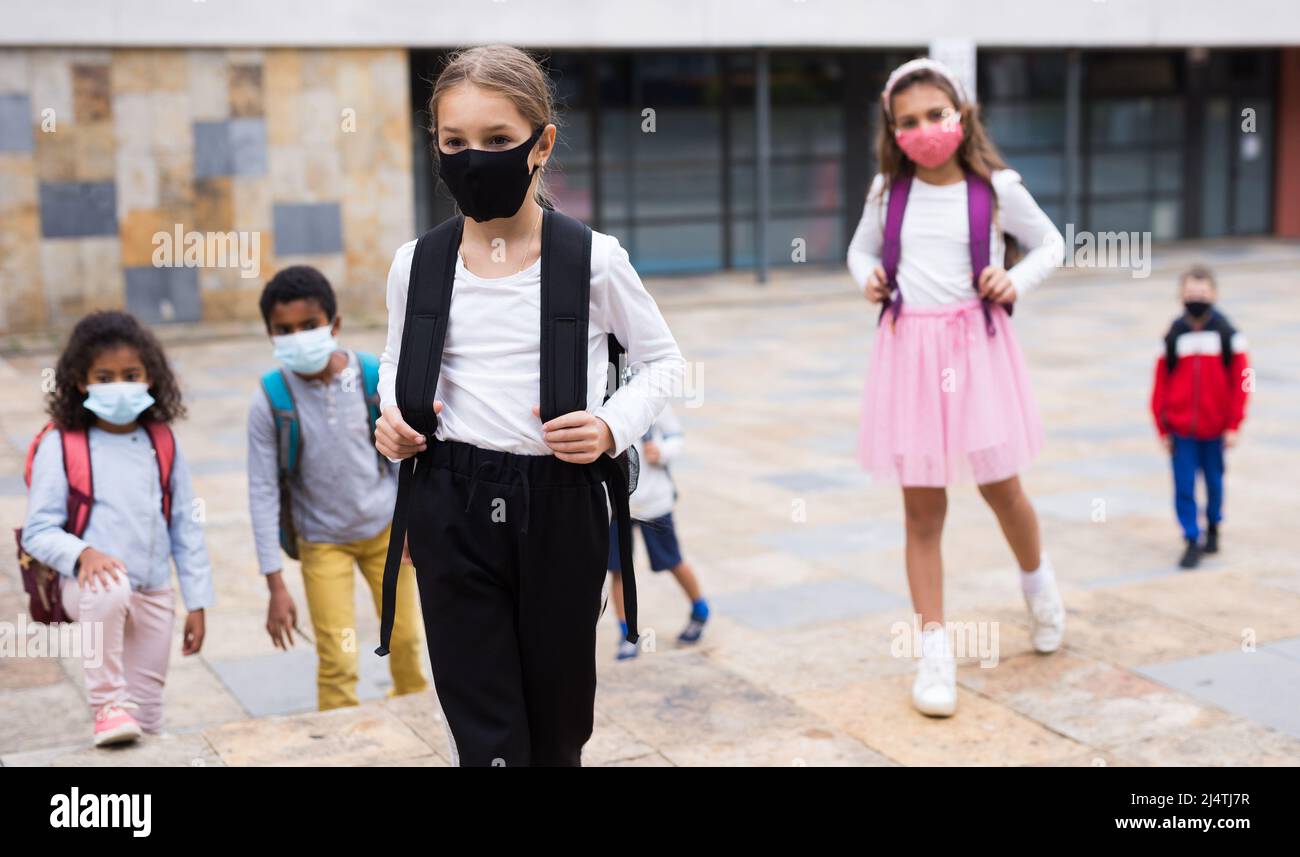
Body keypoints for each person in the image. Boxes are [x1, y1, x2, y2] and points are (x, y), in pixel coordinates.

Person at [373, 45, 685, 766]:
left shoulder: (593, 259)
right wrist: (392, 415)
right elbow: (395, 359)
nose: (473, 159)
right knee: (483, 725)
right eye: (455, 143)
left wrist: (611, 424)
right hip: (450, 499)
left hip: (559, 502)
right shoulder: (415, 263)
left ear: (541, 144)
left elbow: (665, 363)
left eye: (496, 141)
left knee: (557, 722)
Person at [847, 58, 1066, 718]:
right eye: (908, 121)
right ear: (893, 129)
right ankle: (934, 651)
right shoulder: (888, 192)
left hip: (977, 350)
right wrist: (867, 277)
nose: (924, 129)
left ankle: (1039, 585)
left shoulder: (995, 186)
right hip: (910, 354)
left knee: (1003, 488)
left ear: (961, 115)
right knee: (922, 510)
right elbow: (859, 251)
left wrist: (1014, 279)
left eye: (935, 115)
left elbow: (1050, 243)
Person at [21, 311, 214, 745]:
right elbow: (37, 530)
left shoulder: (161, 441)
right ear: (80, 381)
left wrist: (197, 600)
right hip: (89, 588)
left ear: (151, 377)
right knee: (110, 588)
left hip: (153, 588)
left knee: (145, 716)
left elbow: (185, 524)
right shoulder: (62, 441)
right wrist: (83, 554)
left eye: (130, 374)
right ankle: (106, 703)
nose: (118, 386)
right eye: (103, 378)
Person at [248, 265, 428, 710]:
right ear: (271, 336)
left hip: (387, 536)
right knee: (338, 659)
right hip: (322, 543)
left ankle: (418, 723)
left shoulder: (372, 379)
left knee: (406, 643)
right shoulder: (270, 398)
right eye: (284, 330)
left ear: (335, 324)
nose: (298, 336)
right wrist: (275, 584)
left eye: (309, 325)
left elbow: (403, 460)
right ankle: (338, 743)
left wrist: (412, 526)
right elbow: (262, 491)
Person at [1150, 264, 1250, 570]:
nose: (1197, 298)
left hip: (1216, 428)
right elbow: (1160, 386)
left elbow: (1243, 382)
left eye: (1203, 292)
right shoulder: (1172, 336)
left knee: (1215, 482)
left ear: (1214, 295)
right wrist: (1163, 427)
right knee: (1183, 485)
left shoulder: (1228, 335)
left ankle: (1214, 526)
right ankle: (1191, 537)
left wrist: (1233, 424)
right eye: (1191, 292)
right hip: (1181, 430)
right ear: (1181, 295)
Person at [606, 404, 709, 660]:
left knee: (672, 560)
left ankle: (700, 608)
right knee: (619, 569)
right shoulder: (602, 398)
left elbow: (675, 435)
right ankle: (627, 632)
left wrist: (662, 451)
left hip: (654, 502)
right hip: (618, 504)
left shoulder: (651, 399)